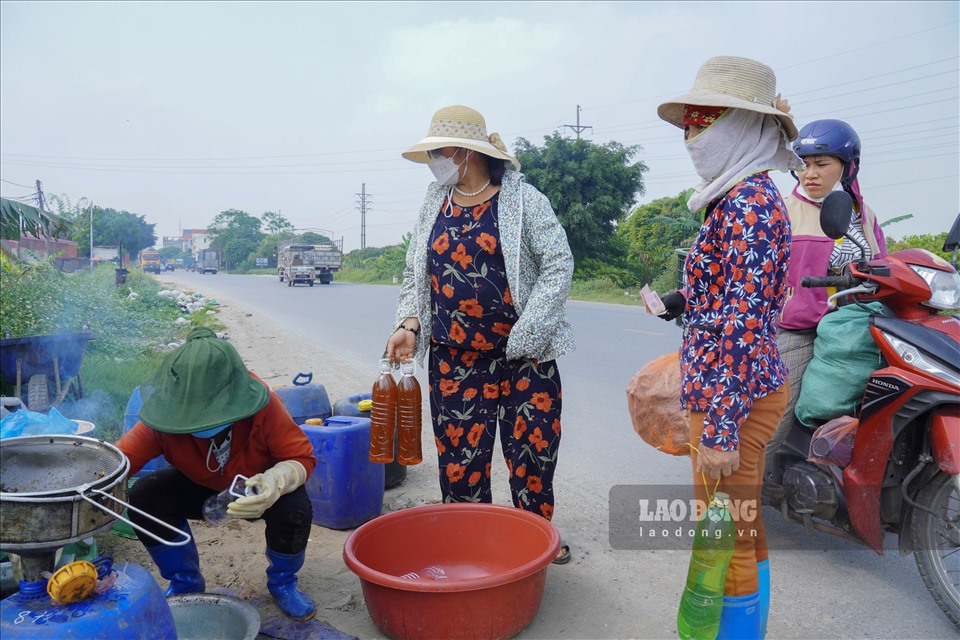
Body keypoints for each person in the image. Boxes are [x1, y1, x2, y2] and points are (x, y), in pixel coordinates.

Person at [385, 105, 575, 564]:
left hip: (524, 358)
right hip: (453, 360)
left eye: (441, 151)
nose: (435, 160)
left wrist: (529, 333)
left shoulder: (524, 200)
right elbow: (415, 272)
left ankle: (537, 540)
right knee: (460, 461)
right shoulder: (436, 200)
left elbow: (558, 263)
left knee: (532, 455)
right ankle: (471, 545)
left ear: (467, 153)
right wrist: (408, 322)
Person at [656, 56, 800, 638]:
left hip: (732, 401)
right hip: (730, 390)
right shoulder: (736, 197)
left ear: (745, 126)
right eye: (688, 125)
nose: (693, 137)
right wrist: (684, 299)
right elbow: (726, 299)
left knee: (727, 542)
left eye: (705, 122)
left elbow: (742, 324)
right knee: (743, 531)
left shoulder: (749, 206)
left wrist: (718, 429)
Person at [115, 327, 318, 621]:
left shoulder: (264, 405)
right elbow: (119, 462)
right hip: (197, 486)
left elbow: (301, 456)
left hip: (254, 487)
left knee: (295, 509)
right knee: (145, 495)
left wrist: (273, 483)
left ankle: (283, 583)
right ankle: (185, 584)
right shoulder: (162, 415)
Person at [764, 119, 887, 472]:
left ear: (848, 168)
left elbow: (883, 268)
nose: (809, 174)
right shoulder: (783, 211)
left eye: (822, 164)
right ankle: (735, 497)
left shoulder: (863, 216)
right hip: (798, 331)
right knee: (772, 421)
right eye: (803, 165)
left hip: (850, 332)